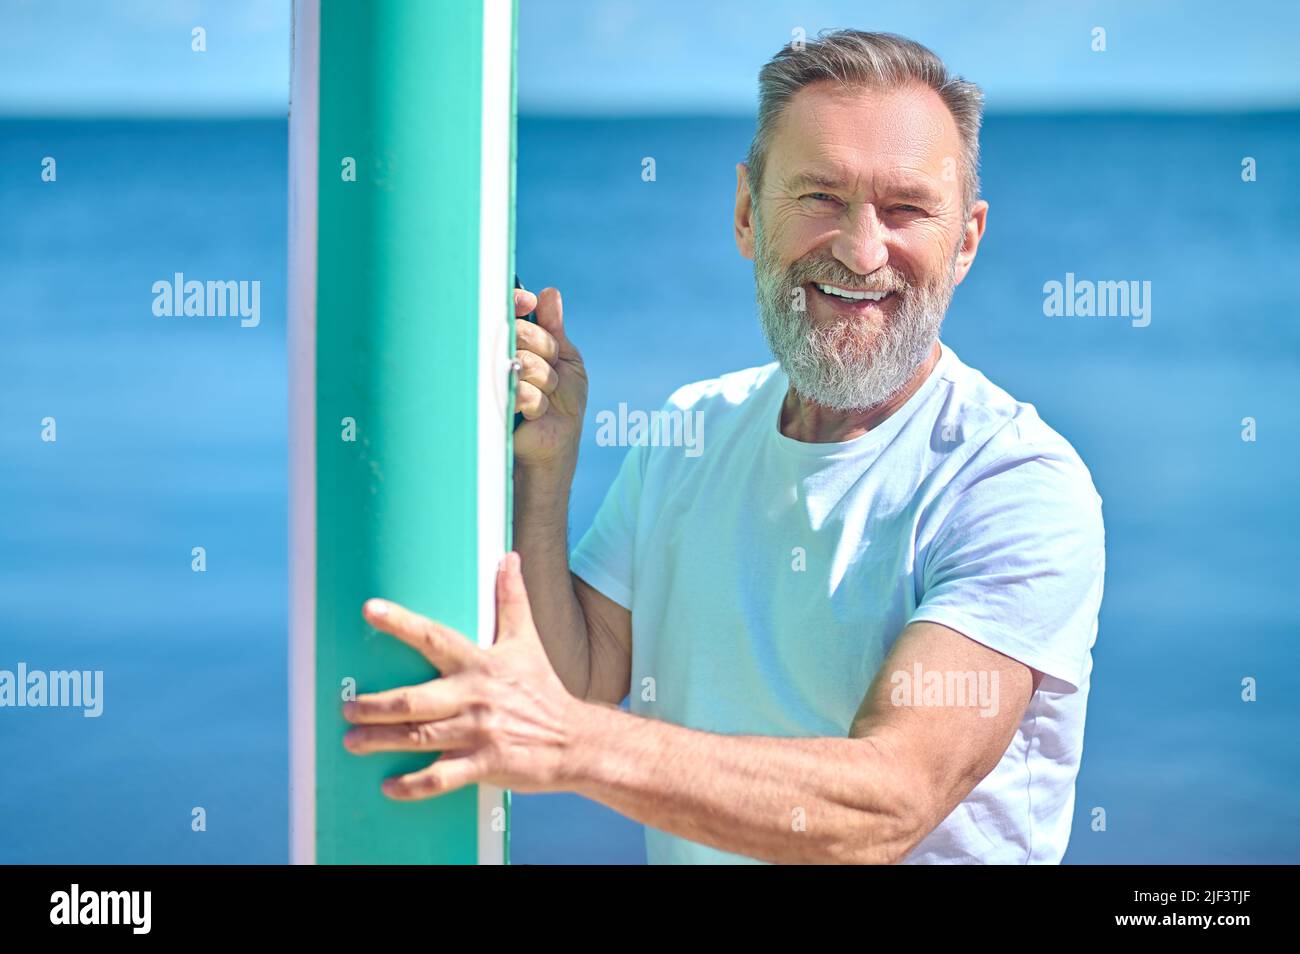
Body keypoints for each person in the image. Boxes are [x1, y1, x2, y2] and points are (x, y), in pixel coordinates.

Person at [342, 29, 1106, 865]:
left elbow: (887, 803)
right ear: (748, 213)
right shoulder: (693, 431)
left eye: (906, 209)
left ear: (965, 241)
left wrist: (568, 745)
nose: (860, 249)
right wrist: (546, 472)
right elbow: (573, 680)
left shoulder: (1013, 482)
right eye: (819, 196)